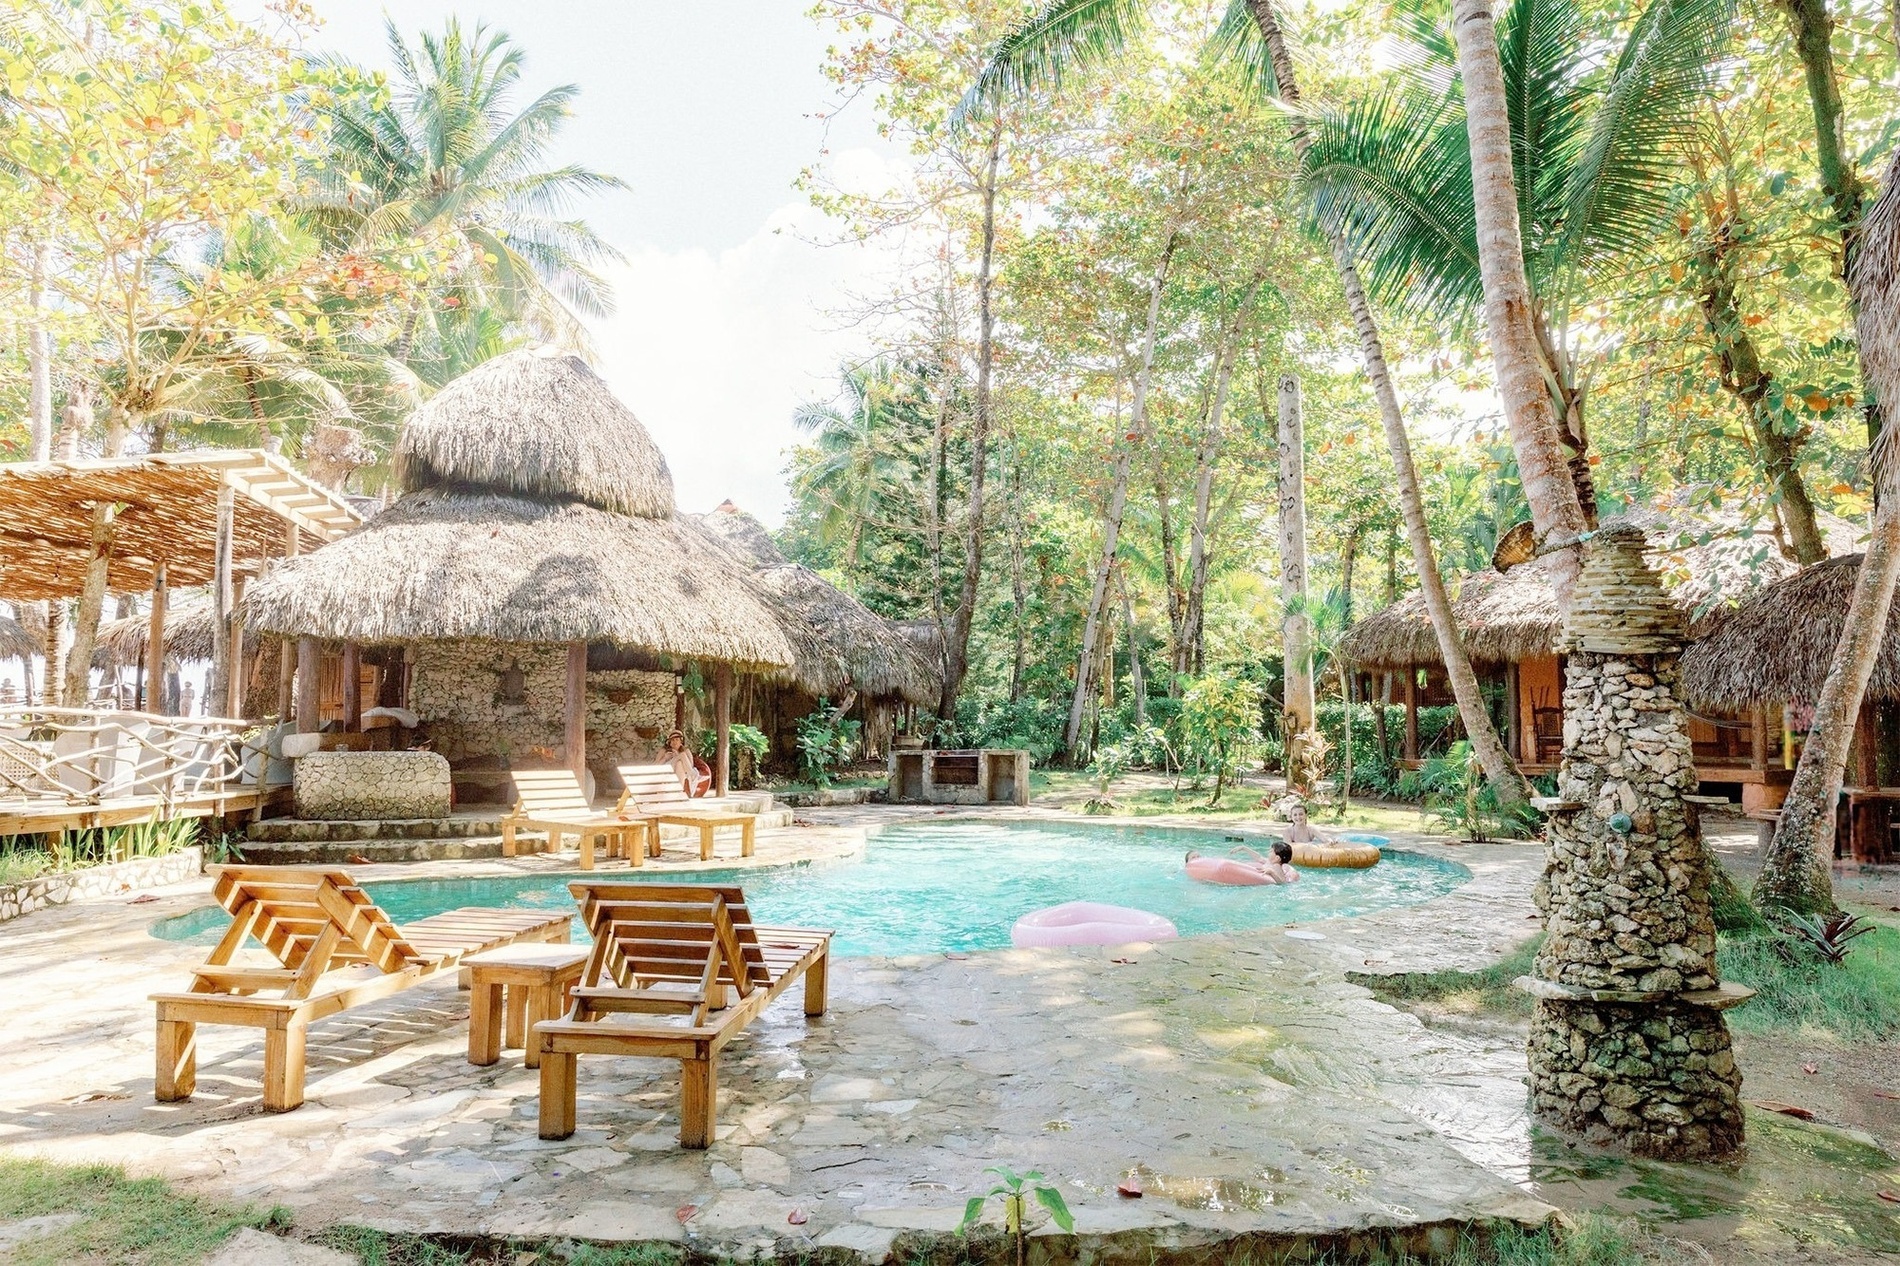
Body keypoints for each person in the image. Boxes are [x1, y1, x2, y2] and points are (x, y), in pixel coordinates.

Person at [662, 729, 712, 797]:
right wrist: (665, 757)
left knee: (680, 763)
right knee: (682, 755)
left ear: (681, 742)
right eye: (673, 740)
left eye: (677, 740)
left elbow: (690, 765)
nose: (675, 742)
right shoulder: (664, 750)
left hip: (680, 770)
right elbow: (656, 765)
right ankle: (694, 776)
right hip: (667, 768)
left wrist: (677, 757)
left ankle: (679, 792)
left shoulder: (686, 750)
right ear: (669, 742)